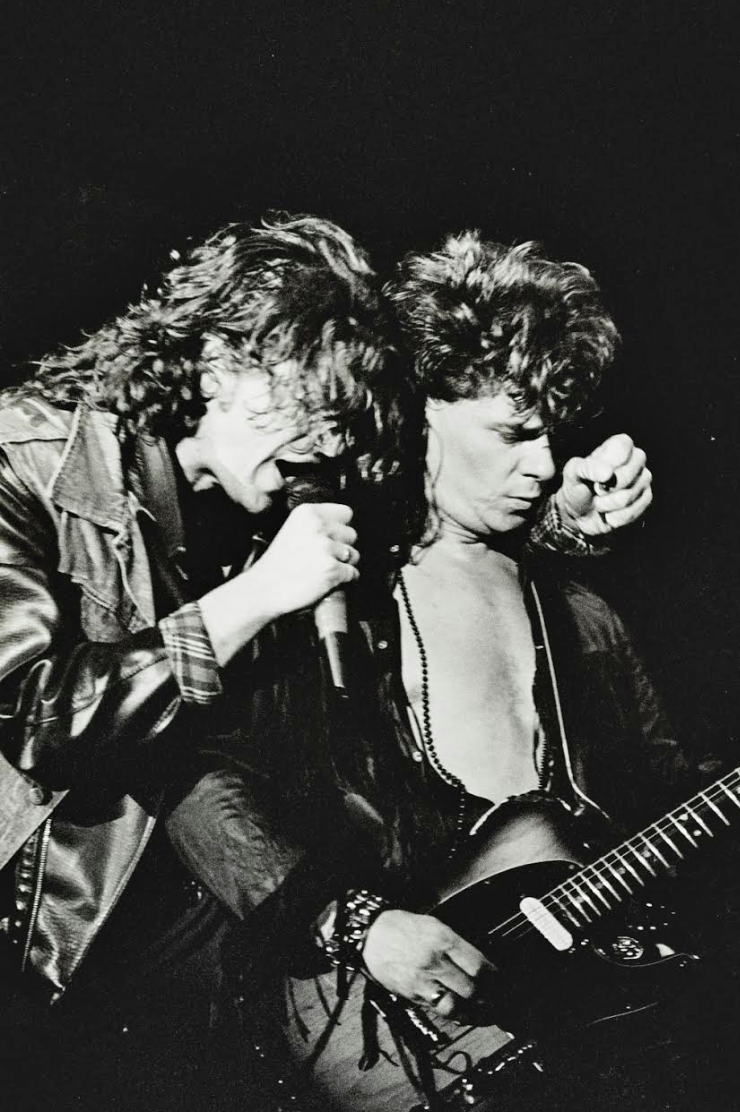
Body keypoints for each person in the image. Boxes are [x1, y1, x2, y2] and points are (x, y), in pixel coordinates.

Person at [163, 233, 678, 1112]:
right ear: (422, 413)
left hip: (583, 1019)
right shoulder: (320, 584)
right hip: (381, 1031)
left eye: (553, 435)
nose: (544, 463)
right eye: (513, 433)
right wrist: (352, 923)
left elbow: (662, 789)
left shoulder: (583, 612)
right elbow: (197, 782)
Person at [0, 213, 406, 1112]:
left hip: (201, 958)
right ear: (222, 362)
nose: (332, 446)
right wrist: (253, 598)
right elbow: (35, 718)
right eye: (318, 408)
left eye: (345, 424)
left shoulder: (233, 505)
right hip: (43, 955)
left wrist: (562, 523)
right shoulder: (22, 458)